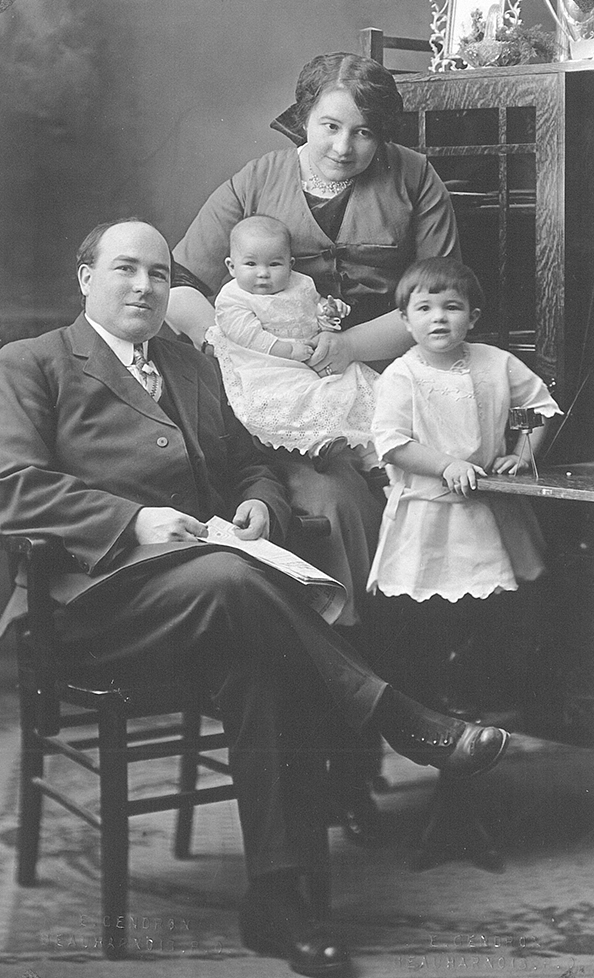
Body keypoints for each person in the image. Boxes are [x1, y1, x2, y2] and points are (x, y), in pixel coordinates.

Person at [0, 220, 510, 978]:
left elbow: (251, 464)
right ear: (84, 278)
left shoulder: (188, 361)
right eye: (125, 271)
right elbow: (12, 484)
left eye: (160, 276)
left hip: (210, 593)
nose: (145, 288)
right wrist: (132, 521)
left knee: (262, 654)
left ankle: (278, 902)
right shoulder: (32, 362)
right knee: (240, 583)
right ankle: (395, 715)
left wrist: (262, 508)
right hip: (89, 605)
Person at [167, 51, 461, 631]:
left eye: (364, 132)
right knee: (316, 498)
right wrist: (223, 339)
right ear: (304, 118)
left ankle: (393, 659)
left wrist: (349, 347)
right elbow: (178, 281)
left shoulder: (415, 177)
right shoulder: (257, 179)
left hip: (378, 378)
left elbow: (440, 298)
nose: (343, 146)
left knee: (401, 494)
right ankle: (333, 668)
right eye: (329, 126)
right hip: (262, 389)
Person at [367, 257, 562, 711]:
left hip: (491, 509)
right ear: (405, 321)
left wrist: (521, 453)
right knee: (431, 611)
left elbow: (541, 409)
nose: (439, 318)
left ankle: (483, 699)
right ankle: (433, 708)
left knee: (496, 603)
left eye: (452, 307)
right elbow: (392, 443)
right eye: (425, 308)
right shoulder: (403, 374)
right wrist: (444, 465)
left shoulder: (496, 363)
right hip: (429, 512)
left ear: (472, 317)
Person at [207, 214, 378, 471]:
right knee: (294, 395)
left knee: (355, 382)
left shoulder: (301, 284)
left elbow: (313, 309)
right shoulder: (233, 298)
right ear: (232, 267)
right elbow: (248, 336)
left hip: (311, 355)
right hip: (266, 362)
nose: (263, 274)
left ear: (290, 264)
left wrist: (328, 311)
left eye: (275, 264)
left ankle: (374, 457)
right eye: (251, 264)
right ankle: (317, 444)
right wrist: (287, 351)